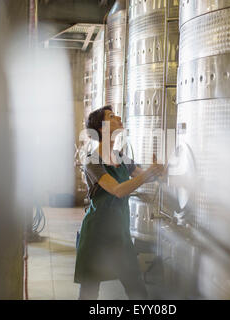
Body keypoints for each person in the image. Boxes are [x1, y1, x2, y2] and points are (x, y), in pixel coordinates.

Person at [74, 105, 164, 300]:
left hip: (120, 234)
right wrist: (148, 174)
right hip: (96, 234)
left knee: (136, 288)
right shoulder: (93, 162)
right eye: (112, 116)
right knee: (89, 292)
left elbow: (145, 177)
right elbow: (118, 190)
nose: (119, 118)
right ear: (101, 128)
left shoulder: (121, 157)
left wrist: (157, 172)